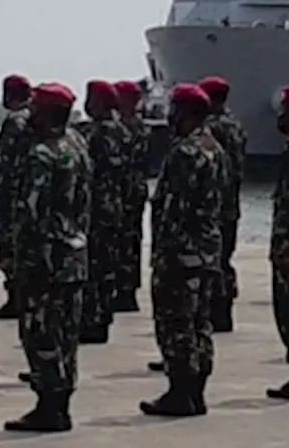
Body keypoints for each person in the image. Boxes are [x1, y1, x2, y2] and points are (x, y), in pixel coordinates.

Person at [5, 82, 90, 433]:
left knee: (40, 332)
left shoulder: (41, 154)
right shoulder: (77, 146)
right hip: (73, 253)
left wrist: (19, 257)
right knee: (66, 334)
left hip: (43, 259)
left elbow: (30, 212)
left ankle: (49, 406)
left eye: (36, 107)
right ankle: (61, 402)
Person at [141, 83, 227, 415]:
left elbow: (173, 209)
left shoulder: (185, 152)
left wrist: (163, 254)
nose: (170, 115)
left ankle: (180, 391)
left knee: (175, 323)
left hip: (180, 253)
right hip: (206, 251)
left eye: (175, 109)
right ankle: (196, 391)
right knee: (199, 324)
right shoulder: (214, 148)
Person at [75, 80, 129, 344]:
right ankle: (102, 316)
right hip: (114, 205)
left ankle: (94, 320)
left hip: (96, 207)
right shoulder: (122, 131)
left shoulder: (98, 134)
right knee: (106, 264)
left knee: (95, 266)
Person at [197, 76, 247, 333]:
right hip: (231, 205)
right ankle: (224, 311)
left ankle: (210, 313)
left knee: (208, 262)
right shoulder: (236, 126)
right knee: (224, 259)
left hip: (212, 205)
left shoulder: (211, 129)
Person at [0, 74, 32, 319]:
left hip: (9, 196)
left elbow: (9, 163)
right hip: (17, 195)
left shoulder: (15, 122)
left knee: (7, 248)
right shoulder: (28, 120)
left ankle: (15, 297)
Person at [112, 80, 151, 313]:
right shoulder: (140, 127)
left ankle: (124, 290)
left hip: (124, 192)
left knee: (122, 241)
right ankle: (127, 289)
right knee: (130, 241)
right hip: (134, 190)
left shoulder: (126, 128)